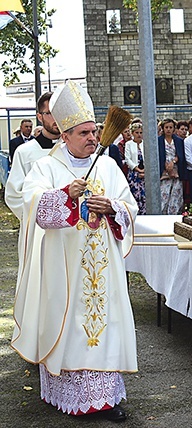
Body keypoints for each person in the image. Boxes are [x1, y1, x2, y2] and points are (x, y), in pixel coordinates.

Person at [11, 81, 138, 422]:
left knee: (104, 324)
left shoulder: (109, 167)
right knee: (69, 326)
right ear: (64, 135)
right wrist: (65, 194)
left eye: (94, 132)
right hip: (64, 269)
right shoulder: (46, 168)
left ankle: (106, 399)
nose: (92, 138)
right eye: (84, 133)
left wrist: (112, 207)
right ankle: (70, 396)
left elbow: (130, 206)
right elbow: (32, 205)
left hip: (103, 271)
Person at [4, 91, 62, 302]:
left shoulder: (75, 150)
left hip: (72, 231)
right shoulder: (25, 152)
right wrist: (40, 215)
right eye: (49, 113)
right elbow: (13, 194)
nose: (56, 119)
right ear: (40, 116)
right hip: (40, 231)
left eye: (59, 112)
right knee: (41, 287)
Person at [158, 118, 187, 214]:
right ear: (162, 128)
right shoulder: (158, 141)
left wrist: (173, 162)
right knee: (163, 196)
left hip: (176, 170)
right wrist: (165, 166)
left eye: (171, 127)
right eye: (166, 127)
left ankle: (174, 216)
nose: (168, 129)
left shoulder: (179, 141)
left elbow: (181, 155)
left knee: (176, 196)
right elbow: (157, 155)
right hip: (163, 171)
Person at [124, 122, 146, 214]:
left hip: (145, 173)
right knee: (135, 195)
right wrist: (137, 169)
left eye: (141, 133)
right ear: (132, 133)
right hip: (134, 174)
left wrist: (145, 171)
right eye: (137, 133)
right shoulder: (129, 144)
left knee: (145, 196)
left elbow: (149, 157)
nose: (139, 135)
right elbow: (127, 159)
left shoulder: (145, 144)